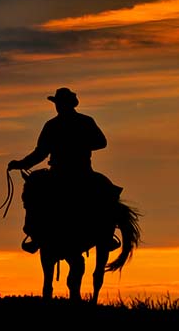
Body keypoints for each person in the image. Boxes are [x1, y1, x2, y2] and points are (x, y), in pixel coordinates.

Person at [7, 87, 121, 254]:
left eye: (61, 103)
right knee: (34, 197)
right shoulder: (54, 125)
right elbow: (41, 151)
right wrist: (22, 163)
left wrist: (79, 144)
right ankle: (36, 233)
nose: (59, 106)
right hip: (62, 171)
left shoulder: (81, 122)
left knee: (107, 192)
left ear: (68, 104)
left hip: (79, 170)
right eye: (57, 103)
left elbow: (101, 142)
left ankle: (106, 232)